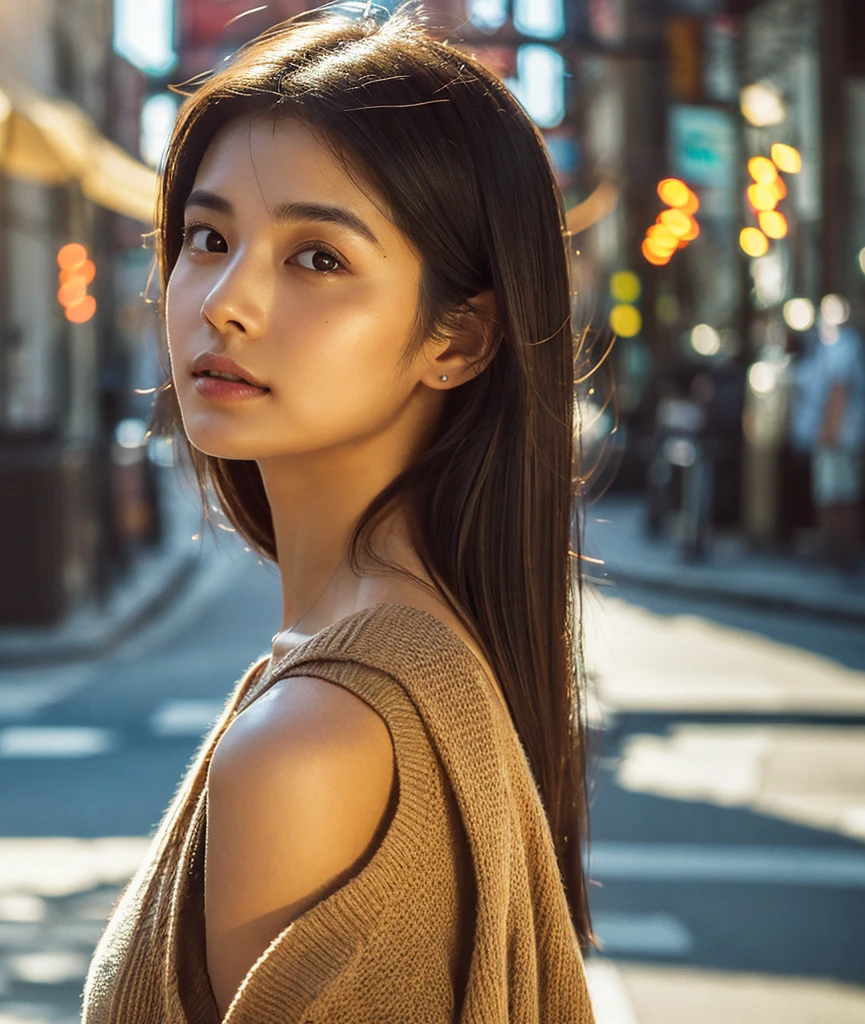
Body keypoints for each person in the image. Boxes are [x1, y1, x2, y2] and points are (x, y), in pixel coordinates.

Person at [81, 6, 595, 1024]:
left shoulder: (317, 740)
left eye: (317, 256)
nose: (224, 300)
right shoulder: (421, 652)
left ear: (460, 335)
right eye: (208, 236)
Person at [790, 297, 865, 570]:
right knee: (833, 496)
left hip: (838, 438)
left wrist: (827, 433)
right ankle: (836, 554)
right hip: (834, 436)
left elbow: (839, 390)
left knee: (838, 497)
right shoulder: (828, 347)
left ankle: (842, 555)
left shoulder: (843, 346)